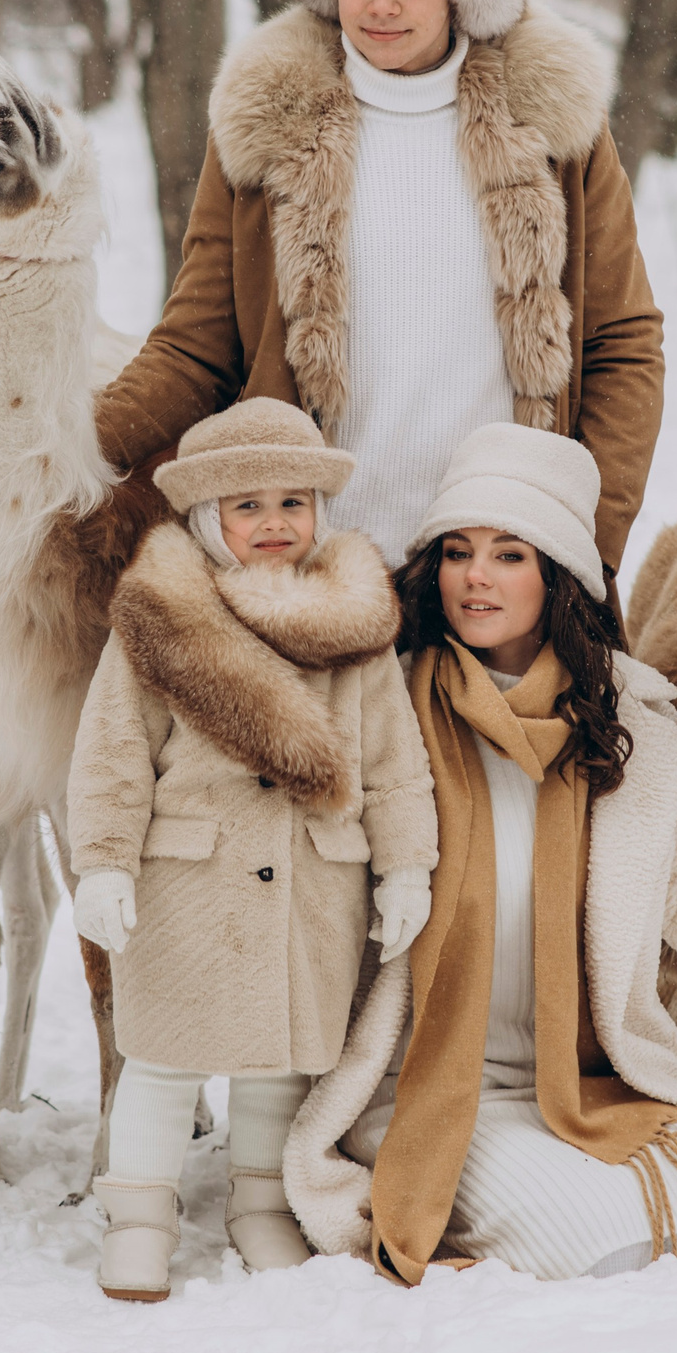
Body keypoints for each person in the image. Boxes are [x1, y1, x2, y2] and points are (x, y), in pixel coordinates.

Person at [280, 424, 677, 1283]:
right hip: (431, 1089)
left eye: (509, 553)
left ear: (557, 576)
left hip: (598, 1081)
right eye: (459, 551)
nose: (476, 576)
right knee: (605, 1246)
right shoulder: (382, 710)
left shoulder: (635, 730)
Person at [92, 0, 664, 581]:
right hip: (313, 566)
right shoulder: (268, 119)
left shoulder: (551, 121)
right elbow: (197, 349)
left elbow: (623, 345)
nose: (382, 5)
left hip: (494, 572)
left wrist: (579, 538)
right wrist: (69, 449)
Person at [65, 399, 441, 1302]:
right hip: (187, 885)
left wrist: (405, 865)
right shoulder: (161, 621)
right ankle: (140, 1215)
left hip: (313, 882)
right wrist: (106, 860)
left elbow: (395, 765)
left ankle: (262, 1202)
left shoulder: (355, 630)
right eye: (248, 506)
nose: (273, 523)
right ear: (207, 519)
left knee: (283, 1059)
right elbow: (113, 755)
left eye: (292, 502)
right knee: (162, 1059)